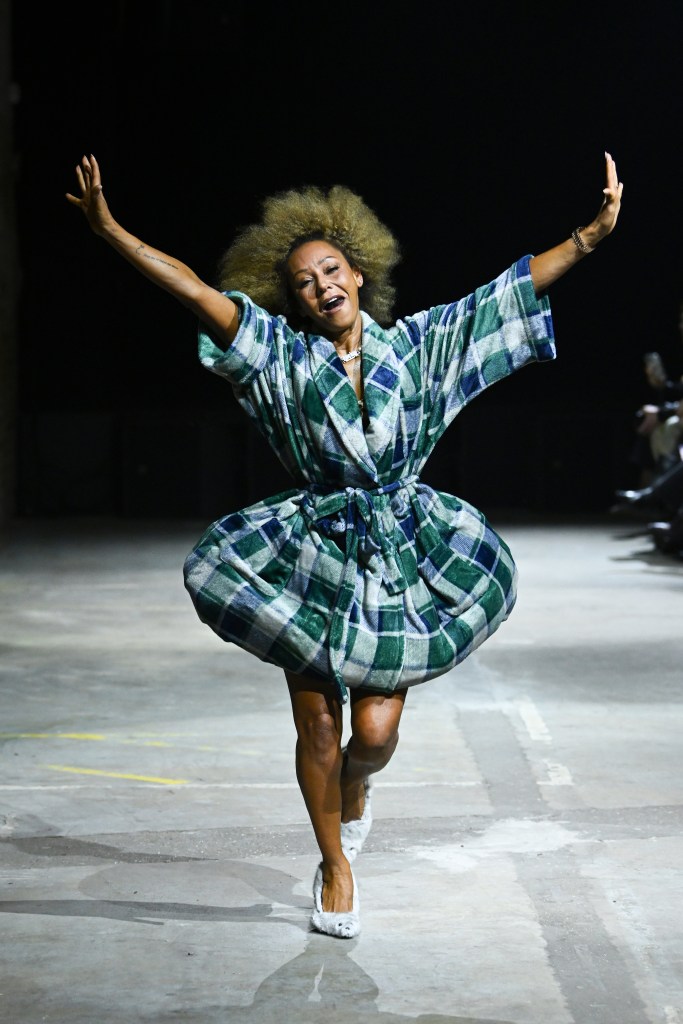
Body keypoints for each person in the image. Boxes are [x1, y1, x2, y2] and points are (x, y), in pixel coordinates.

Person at [67, 152, 623, 938]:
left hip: (397, 551)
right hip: (312, 552)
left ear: (359, 274)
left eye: (330, 270)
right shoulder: (279, 357)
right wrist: (111, 230)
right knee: (319, 729)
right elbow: (192, 289)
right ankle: (333, 863)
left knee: (374, 736)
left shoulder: (419, 345)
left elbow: (507, 293)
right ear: (292, 299)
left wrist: (589, 236)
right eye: (303, 281)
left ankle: (356, 792)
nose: (321, 285)